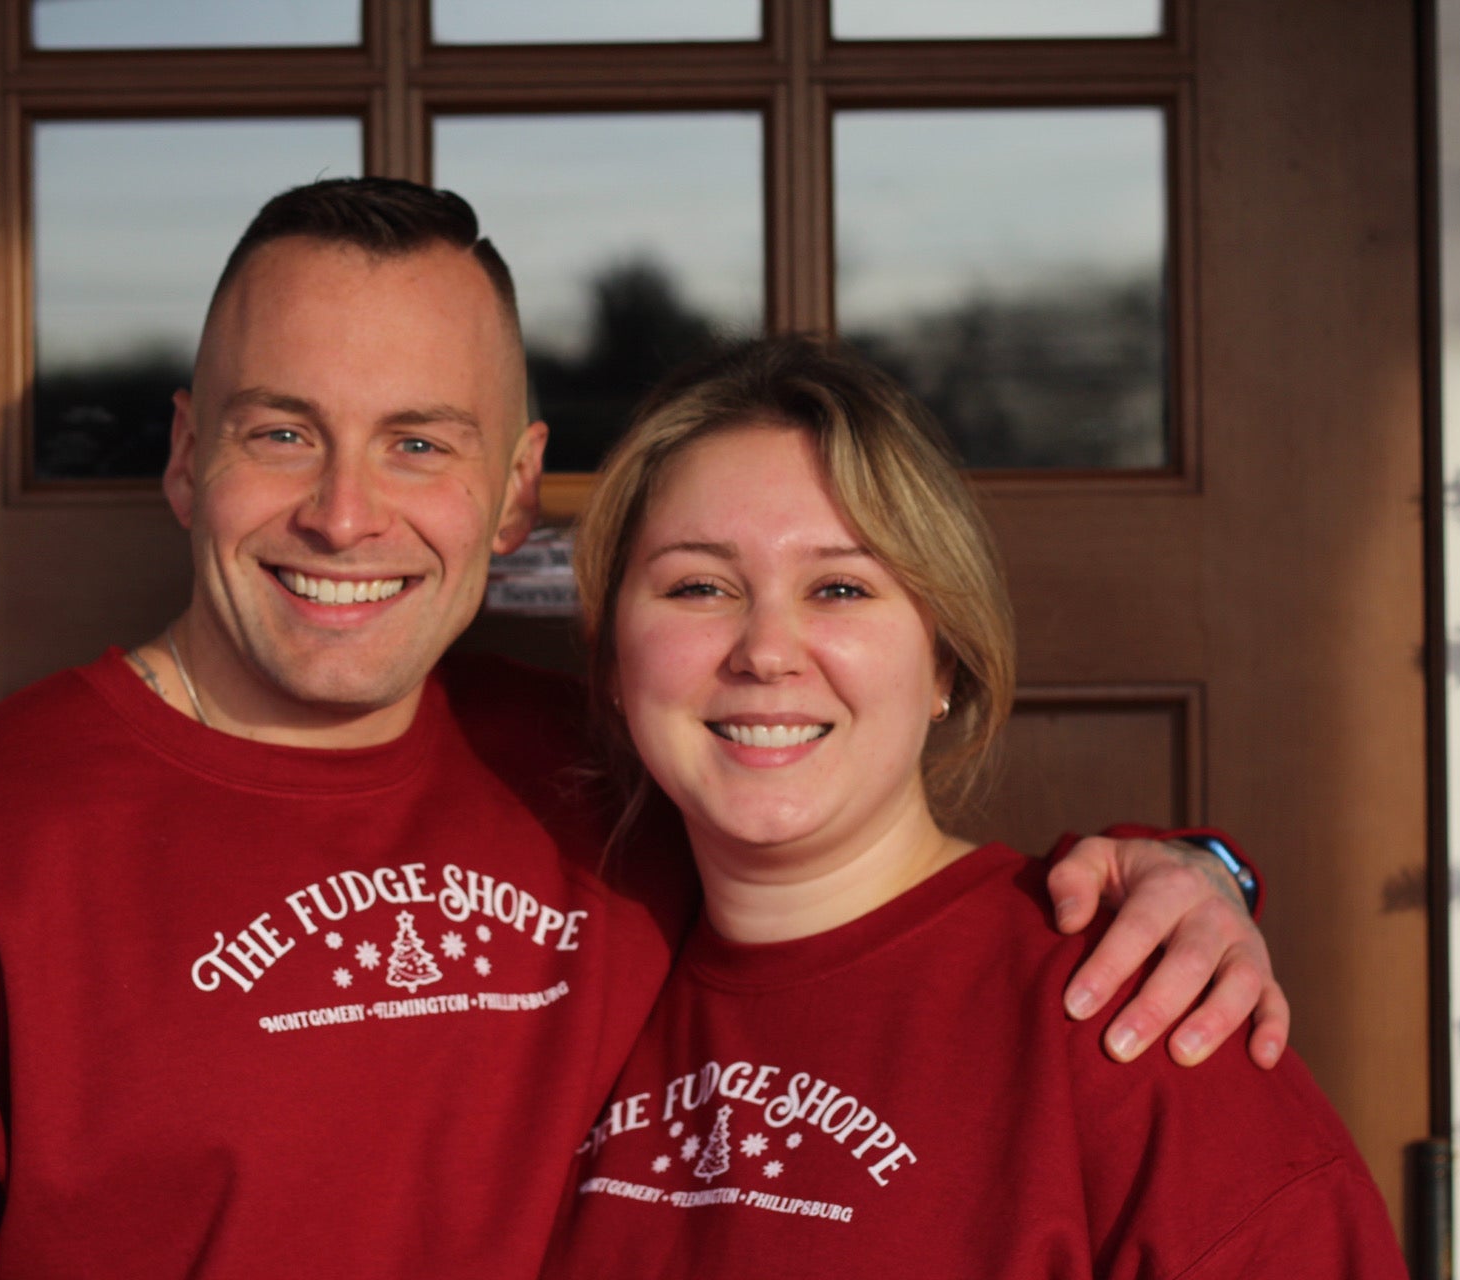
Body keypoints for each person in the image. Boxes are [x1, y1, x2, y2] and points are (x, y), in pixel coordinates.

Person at [0, 180, 1284, 1277]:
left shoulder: (613, 772)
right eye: (280, 431)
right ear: (185, 458)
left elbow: (868, 879)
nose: (344, 512)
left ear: (515, 486)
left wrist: (1185, 876)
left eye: (419, 442)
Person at [544, 336, 1404, 1277]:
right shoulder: (551, 982)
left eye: (840, 587)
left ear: (944, 660)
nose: (767, 651)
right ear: (615, 662)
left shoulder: (1137, 1010)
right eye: (700, 586)